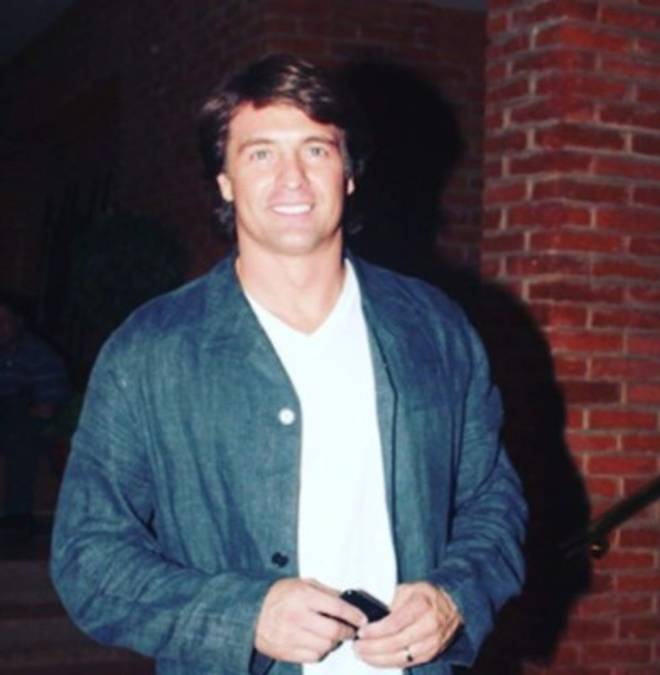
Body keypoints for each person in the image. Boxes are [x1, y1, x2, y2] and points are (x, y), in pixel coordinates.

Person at [51, 54, 527, 675]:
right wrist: (243, 616)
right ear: (225, 181)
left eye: (316, 150)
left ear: (348, 173)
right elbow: (87, 557)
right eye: (260, 154)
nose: (292, 179)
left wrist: (455, 597)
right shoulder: (150, 350)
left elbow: (493, 501)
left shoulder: (434, 329)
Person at [0, 297, 69, 538]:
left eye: (4, 321)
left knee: (19, 429)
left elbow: (47, 409)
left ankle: (18, 514)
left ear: (19, 323)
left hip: (38, 428)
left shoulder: (39, 355)